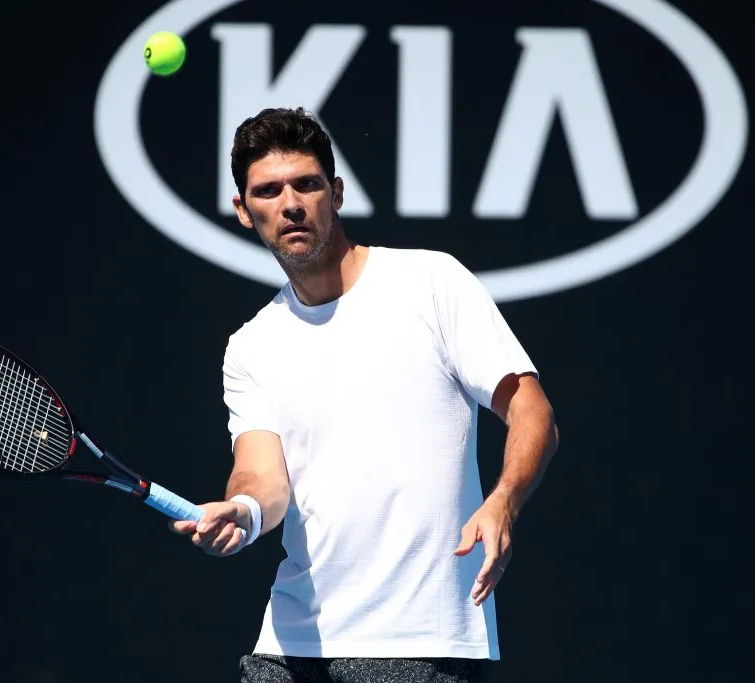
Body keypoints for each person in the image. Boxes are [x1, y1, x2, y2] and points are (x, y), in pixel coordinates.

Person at [169, 107, 560, 683]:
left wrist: (504, 500)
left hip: (418, 642)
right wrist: (244, 512)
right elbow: (262, 478)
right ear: (244, 211)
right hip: (290, 644)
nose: (291, 204)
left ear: (336, 194)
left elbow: (533, 411)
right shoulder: (251, 346)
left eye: (306, 185)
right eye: (268, 191)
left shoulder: (432, 282)